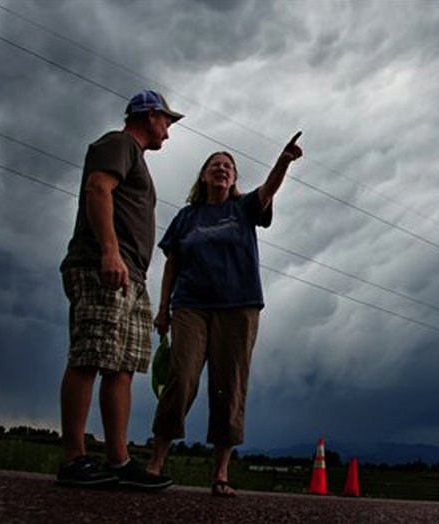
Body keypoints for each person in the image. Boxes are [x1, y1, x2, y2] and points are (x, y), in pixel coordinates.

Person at [146, 132, 303, 497]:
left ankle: (220, 474)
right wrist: (163, 308)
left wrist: (283, 161)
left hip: (238, 307)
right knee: (181, 378)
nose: (221, 169)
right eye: (215, 165)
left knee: (228, 386)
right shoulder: (187, 217)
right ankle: (154, 464)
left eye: (228, 167)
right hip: (190, 307)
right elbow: (171, 265)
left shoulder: (243, 208)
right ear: (203, 176)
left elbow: (269, 191)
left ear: (233, 179)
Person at [57, 90, 183, 489]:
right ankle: (74, 458)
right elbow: (97, 188)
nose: (168, 129)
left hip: (132, 276)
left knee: (123, 366)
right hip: (103, 266)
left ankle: (118, 460)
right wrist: (109, 252)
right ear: (149, 116)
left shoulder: (137, 158)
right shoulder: (119, 143)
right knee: (90, 355)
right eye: (166, 120)